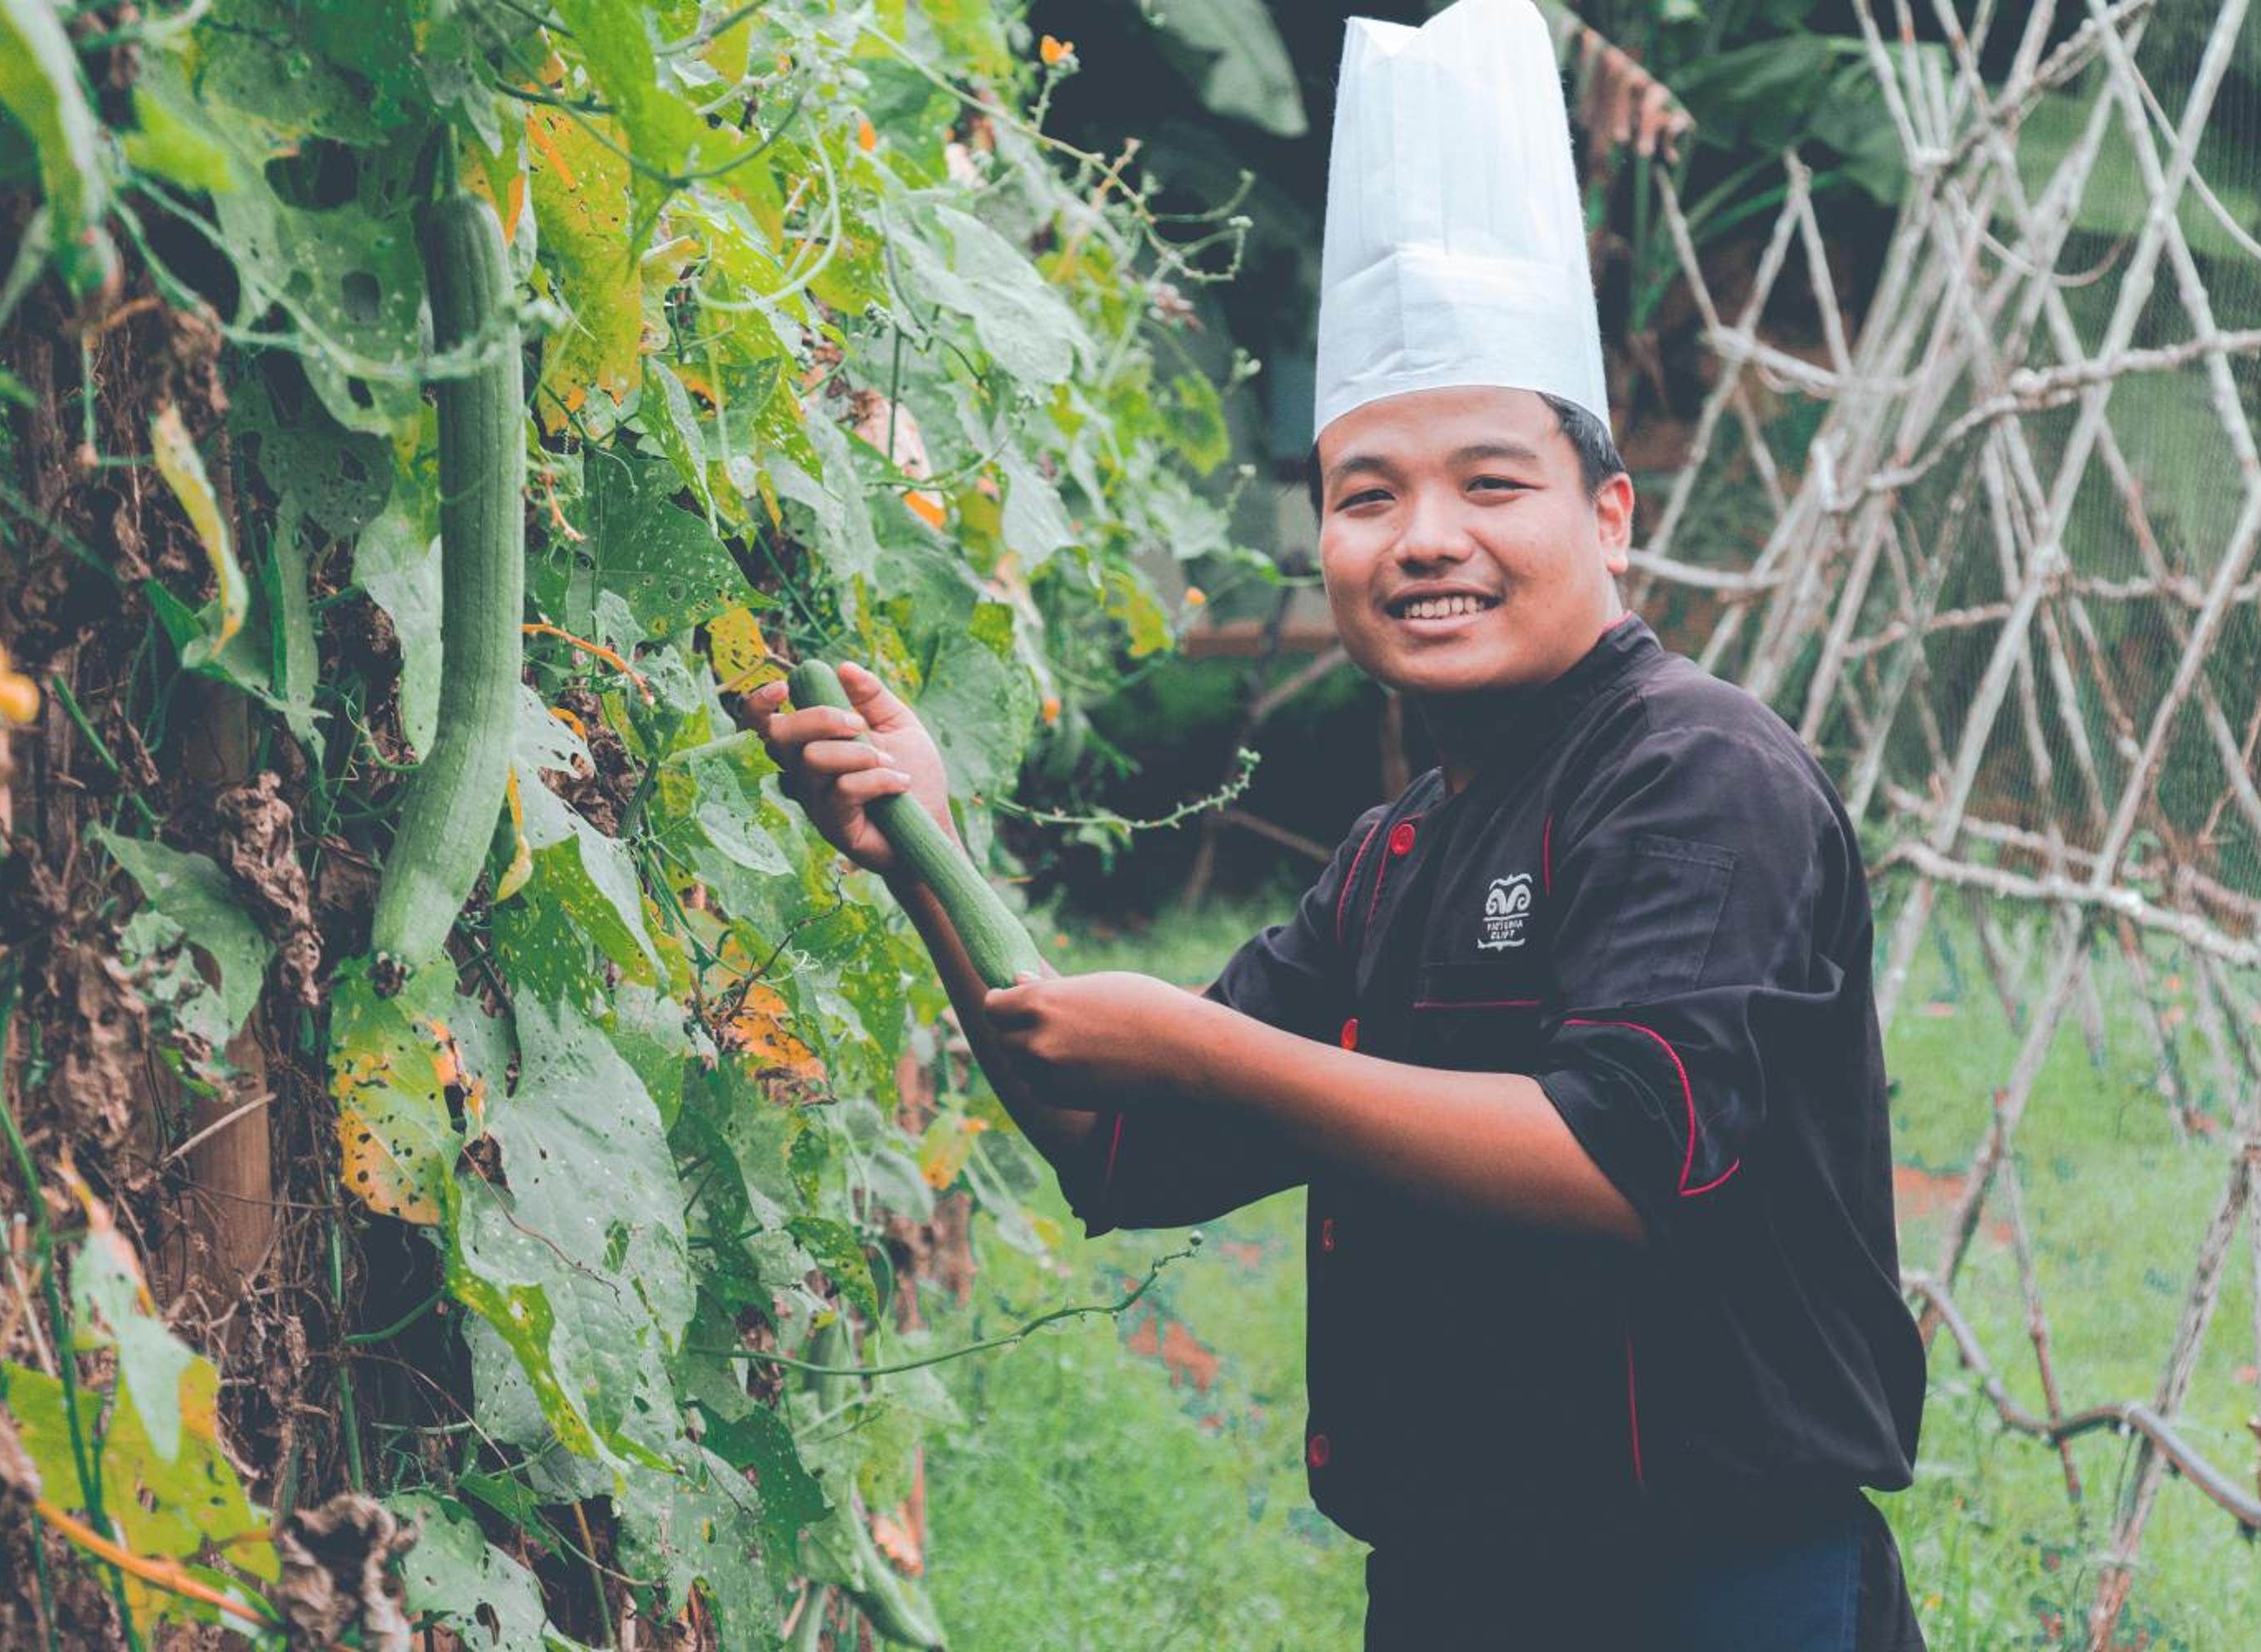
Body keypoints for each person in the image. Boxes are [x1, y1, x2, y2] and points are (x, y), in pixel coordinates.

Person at [744, 2, 1926, 1645]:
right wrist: (922, 858)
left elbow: (1623, 1158)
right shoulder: (1400, 855)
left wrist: (1207, 1046)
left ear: (1610, 517)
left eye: (1490, 484)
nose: (1424, 537)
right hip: (1450, 1587)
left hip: (1713, 1590)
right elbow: (1120, 1142)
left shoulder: (1698, 771)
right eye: (1369, 494)